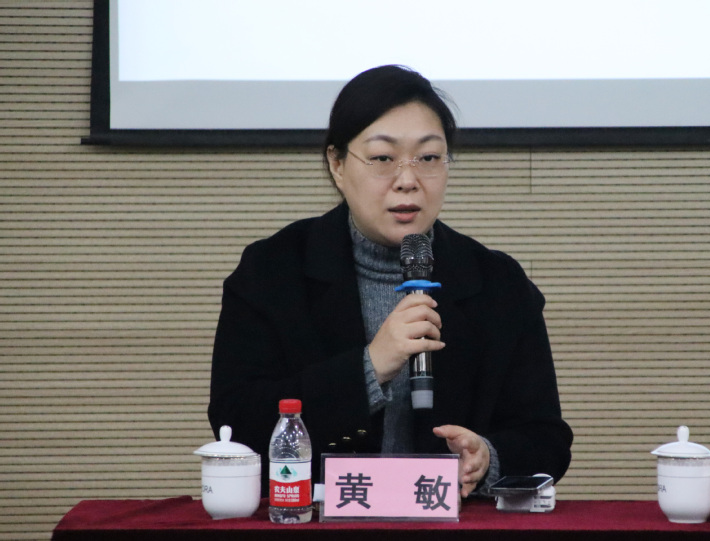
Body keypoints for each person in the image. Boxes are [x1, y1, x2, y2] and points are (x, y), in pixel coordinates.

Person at [208, 65, 572, 499]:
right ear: (337, 164)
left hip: (453, 525)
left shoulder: (498, 284)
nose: (407, 181)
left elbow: (546, 440)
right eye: (383, 158)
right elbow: (237, 425)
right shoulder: (272, 271)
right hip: (317, 523)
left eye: (428, 158)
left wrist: (487, 458)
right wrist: (370, 366)